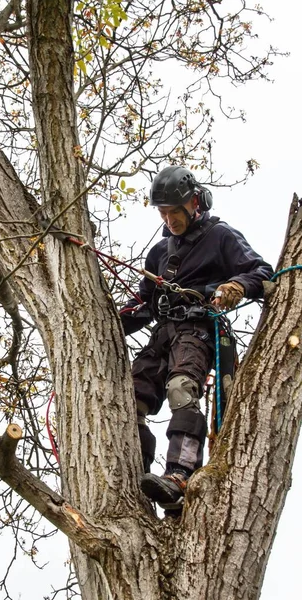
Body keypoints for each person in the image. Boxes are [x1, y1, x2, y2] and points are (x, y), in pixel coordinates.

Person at [120, 166, 273, 512]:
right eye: (163, 213)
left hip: (197, 330)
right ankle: (136, 474)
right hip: (163, 333)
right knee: (131, 398)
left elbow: (260, 271)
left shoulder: (220, 236)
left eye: (174, 211)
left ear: (194, 203)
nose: (169, 219)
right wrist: (114, 321)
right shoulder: (160, 253)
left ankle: (180, 473)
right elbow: (143, 305)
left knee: (181, 388)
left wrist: (235, 286)